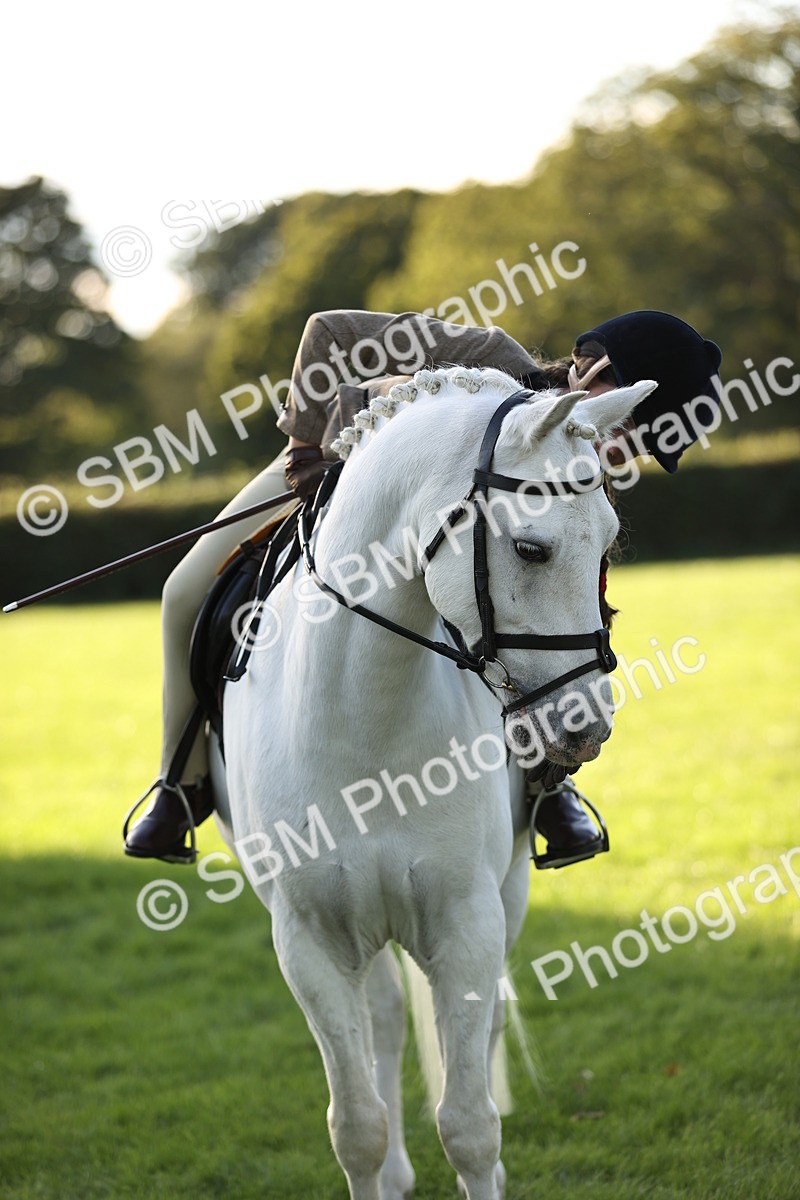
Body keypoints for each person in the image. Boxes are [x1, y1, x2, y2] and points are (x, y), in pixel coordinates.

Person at [124, 309, 722, 867]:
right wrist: (302, 446)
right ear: (600, 374)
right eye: (632, 429)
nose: (624, 453)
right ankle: (179, 784)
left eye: (640, 448)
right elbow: (328, 333)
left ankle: (547, 790)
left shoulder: (575, 469)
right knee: (182, 592)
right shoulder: (486, 354)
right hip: (335, 462)